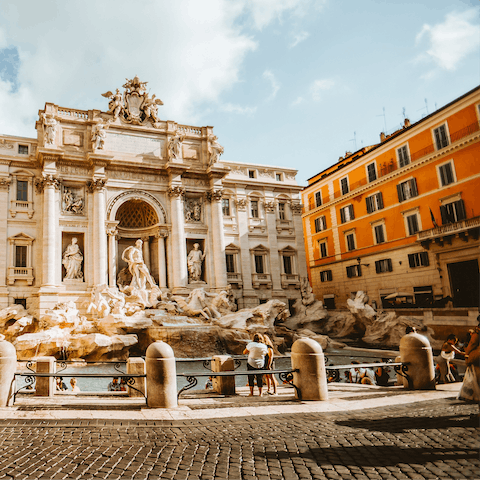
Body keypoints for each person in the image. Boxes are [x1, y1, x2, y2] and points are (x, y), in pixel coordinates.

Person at [459, 316, 480, 417]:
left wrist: (467, 357)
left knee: (478, 385)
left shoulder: (477, 333)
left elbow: (472, 344)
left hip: (478, 361)